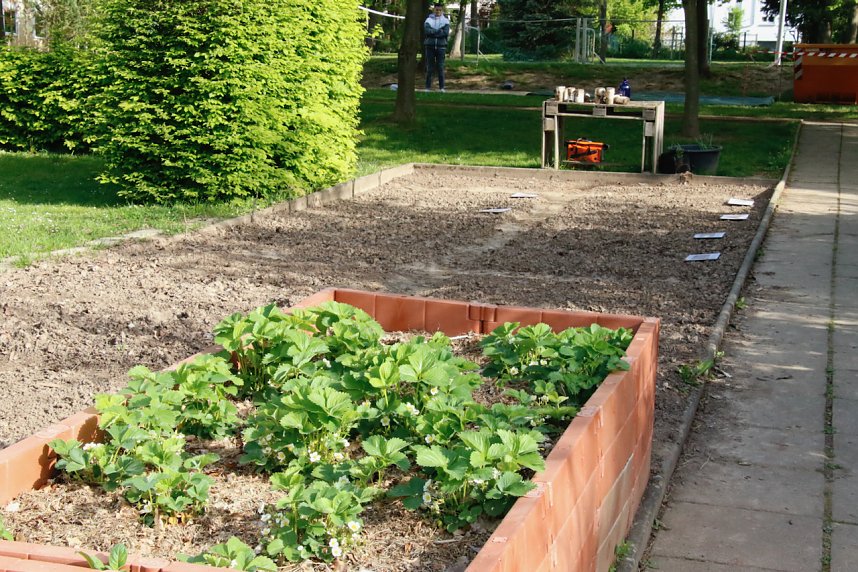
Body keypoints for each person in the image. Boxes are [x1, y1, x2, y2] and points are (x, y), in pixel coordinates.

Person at [424, 3, 450, 92]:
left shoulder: (445, 21)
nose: (438, 11)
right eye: (436, 10)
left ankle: (441, 87)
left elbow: (445, 33)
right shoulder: (428, 20)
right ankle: (427, 87)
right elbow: (427, 31)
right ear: (434, 10)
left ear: (442, 11)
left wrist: (433, 32)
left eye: (439, 10)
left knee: (440, 67)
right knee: (430, 67)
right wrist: (438, 31)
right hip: (430, 46)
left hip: (441, 47)